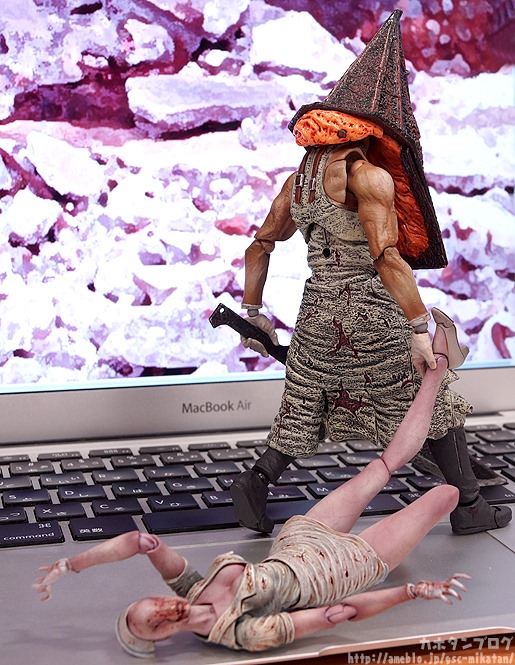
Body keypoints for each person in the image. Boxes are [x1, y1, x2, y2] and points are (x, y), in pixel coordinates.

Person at [229, 10, 511, 536]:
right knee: (433, 396)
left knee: (304, 403)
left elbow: (260, 245)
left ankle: (257, 480)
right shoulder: (368, 176)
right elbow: (386, 258)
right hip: (371, 314)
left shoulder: (299, 181)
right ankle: (469, 505)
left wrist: (253, 311)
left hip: (316, 312)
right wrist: (419, 326)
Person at [34, 321, 469, 656]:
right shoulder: (239, 632)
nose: (163, 610)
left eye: (152, 605)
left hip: (301, 539)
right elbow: (336, 615)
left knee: (384, 464)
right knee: (446, 495)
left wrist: (72, 564)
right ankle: (439, 373)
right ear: (162, 635)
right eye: (156, 621)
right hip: (339, 571)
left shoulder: (193, 587)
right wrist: (412, 592)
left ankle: (438, 368)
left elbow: (140, 541)